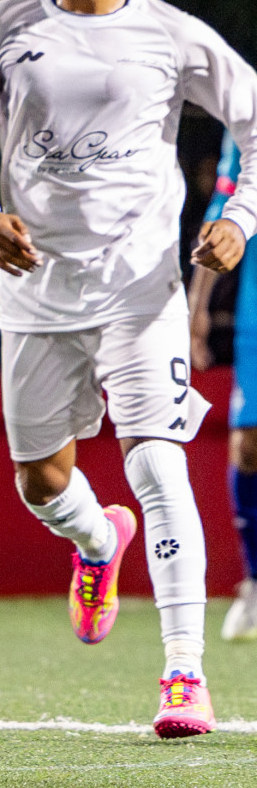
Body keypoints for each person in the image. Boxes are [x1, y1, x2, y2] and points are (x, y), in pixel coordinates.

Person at [0, 0, 257, 739]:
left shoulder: (174, 36)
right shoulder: (2, 28)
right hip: (35, 292)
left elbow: (255, 118)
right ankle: (94, 540)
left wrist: (239, 215)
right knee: (41, 482)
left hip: (140, 289)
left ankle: (184, 676)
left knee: (156, 462)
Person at [189, 131, 257, 641]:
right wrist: (197, 310)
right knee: (248, 444)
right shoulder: (248, 110)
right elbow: (225, 200)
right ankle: (255, 585)